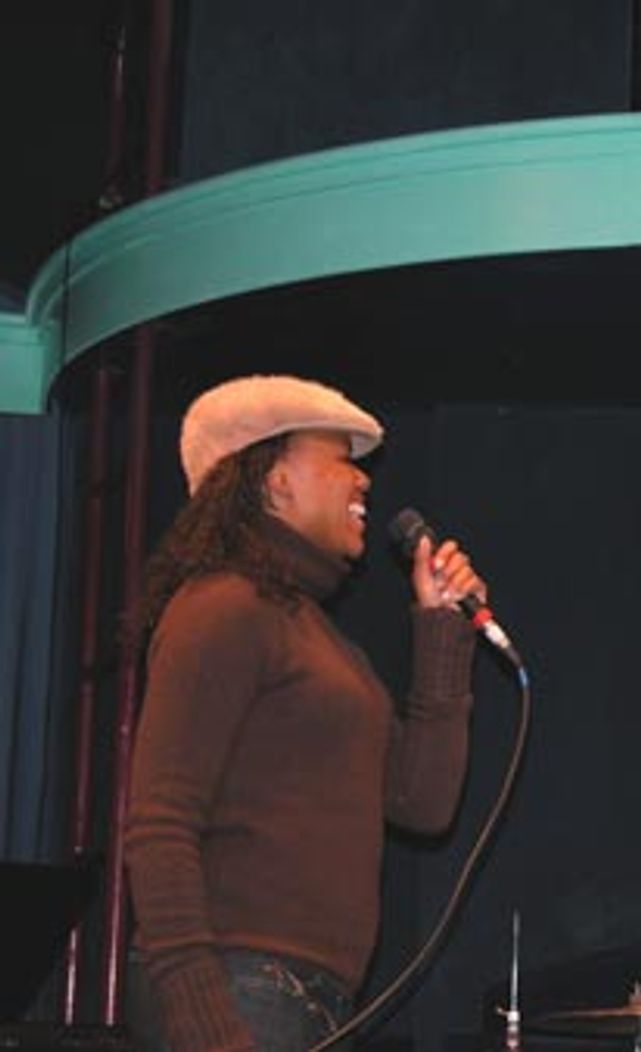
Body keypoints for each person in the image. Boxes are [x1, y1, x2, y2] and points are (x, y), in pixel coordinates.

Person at [124, 375, 486, 1052]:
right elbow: (159, 823)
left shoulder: (321, 641)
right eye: (340, 458)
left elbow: (423, 802)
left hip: (308, 1003)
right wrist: (204, 1021)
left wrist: (440, 627)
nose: (363, 479)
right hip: (238, 991)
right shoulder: (221, 606)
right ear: (274, 481)